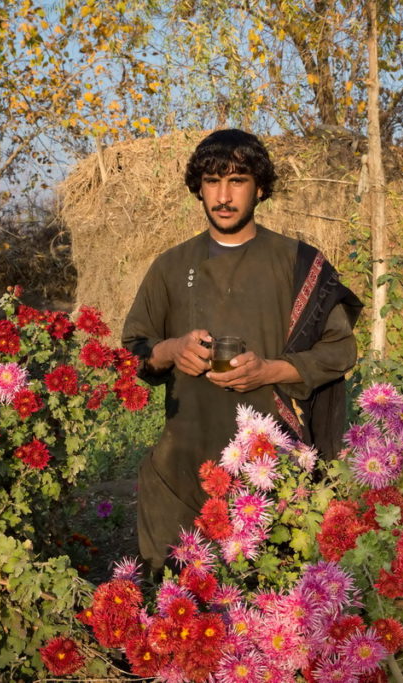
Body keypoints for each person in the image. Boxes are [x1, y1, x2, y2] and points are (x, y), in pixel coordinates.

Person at [122, 129, 362, 573]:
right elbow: (134, 349)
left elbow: (341, 350)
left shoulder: (297, 262)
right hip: (182, 466)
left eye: (238, 180)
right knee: (178, 609)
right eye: (213, 181)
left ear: (261, 188)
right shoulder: (170, 266)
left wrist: (270, 370)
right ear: (198, 188)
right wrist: (172, 349)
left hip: (273, 469)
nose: (224, 195)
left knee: (272, 605)